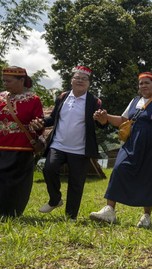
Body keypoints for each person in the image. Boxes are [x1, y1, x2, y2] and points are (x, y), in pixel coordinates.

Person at [89, 72, 152, 227]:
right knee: (119, 169)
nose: (143, 86)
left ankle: (146, 217)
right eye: (141, 83)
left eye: (147, 83)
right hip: (132, 143)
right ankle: (109, 211)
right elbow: (123, 120)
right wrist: (106, 117)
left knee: (149, 177)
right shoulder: (135, 101)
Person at [31, 66, 104, 220]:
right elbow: (53, 118)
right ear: (71, 80)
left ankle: (70, 217)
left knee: (76, 183)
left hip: (80, 149)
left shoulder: (94, 101)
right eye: (77, 78)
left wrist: (103, 121)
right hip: (58, 144)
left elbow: (101, 123)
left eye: (84, 79)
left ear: (89, 84)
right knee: (49, 169)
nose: (80, 81)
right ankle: (55, 199)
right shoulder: (63, 97)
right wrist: (42, 121)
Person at [0, 66, 44, 217]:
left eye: (9, 81)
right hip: (1, 146)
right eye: (4, 81)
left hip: (21, 148)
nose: (5, 84)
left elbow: (40, 126)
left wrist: (38, 126)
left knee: (16, 184)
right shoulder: (1, 97)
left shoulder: (33, 100)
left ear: (21, 81)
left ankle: (12, 213)